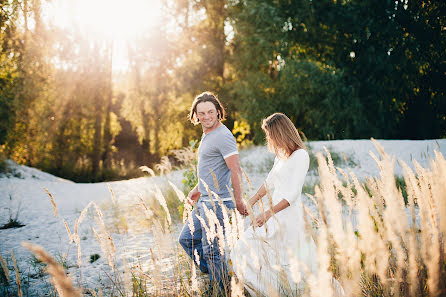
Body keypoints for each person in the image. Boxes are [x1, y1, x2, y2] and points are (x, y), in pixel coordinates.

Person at [230, 112, 318, 296]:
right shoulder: (280, 155)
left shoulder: (300, 156)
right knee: (242, 248)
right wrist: (252, 201)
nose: (268, 138)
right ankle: (268, 292)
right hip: (272, 215)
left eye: (270, 134)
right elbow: (270, 182)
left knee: (285, 260)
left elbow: (292, 194)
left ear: (280, 132)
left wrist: (267, 213)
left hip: (287, 217)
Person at [178, 91, 248, 293]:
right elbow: (213, 169)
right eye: (201, 113)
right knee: (186, 240)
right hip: (204, 201)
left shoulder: (223, 136)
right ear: (196, 115)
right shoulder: (208, 133)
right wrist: (197, 189)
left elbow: (235, 170)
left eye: (210, 112)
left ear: (218, 112)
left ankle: (222, 289)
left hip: (218, 203)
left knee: (211, 251)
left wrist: (239, 200)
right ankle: (224, 278)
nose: (206, 116)